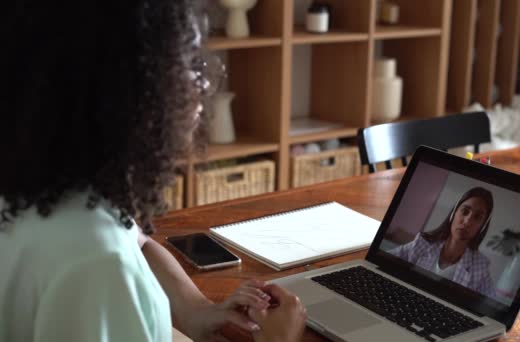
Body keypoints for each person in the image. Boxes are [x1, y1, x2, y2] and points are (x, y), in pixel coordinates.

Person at [0, 1, 306, 341]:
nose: (202, 85)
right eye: (189, 65)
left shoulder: (45, 191)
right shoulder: (99, 265)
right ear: (131, 89)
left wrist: (195, 310)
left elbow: (137, 238)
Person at [389, 187, 496, 298]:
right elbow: (384, 260)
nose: (467, 221)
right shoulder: (423, 243)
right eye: (465, 211)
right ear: (454, 213)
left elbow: (493, 304)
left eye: (477, 217)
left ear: (482, 227)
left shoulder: (479, 266)